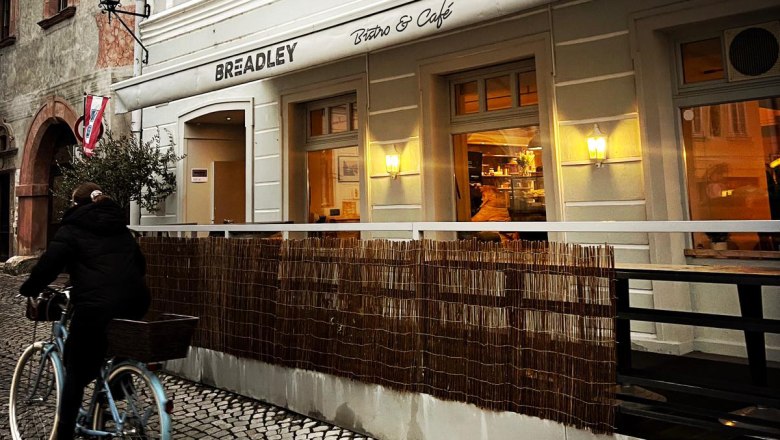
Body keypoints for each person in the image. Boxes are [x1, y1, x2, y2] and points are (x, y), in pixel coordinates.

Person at [19, 182, 151, 440]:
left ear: (76, 204)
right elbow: (140, 264)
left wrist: (29, 288)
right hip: (136, 300)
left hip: (97, 305)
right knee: (112, 348)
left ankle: (64, 434)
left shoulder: (72, 229)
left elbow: (49, 265)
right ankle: (116, 385)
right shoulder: (120, 227)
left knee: (77, 370)